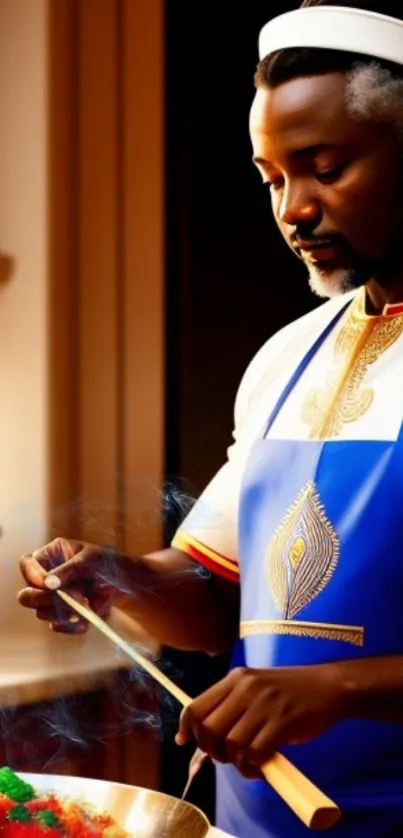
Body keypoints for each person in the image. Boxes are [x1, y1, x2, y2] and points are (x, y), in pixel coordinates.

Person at [17, 0, 403, 835]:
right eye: (271, 178)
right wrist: (117, 579)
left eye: (324, 167)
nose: (292, 208)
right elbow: (215, 596)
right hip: (247, 821)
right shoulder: (284, 358)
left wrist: (335, 686)